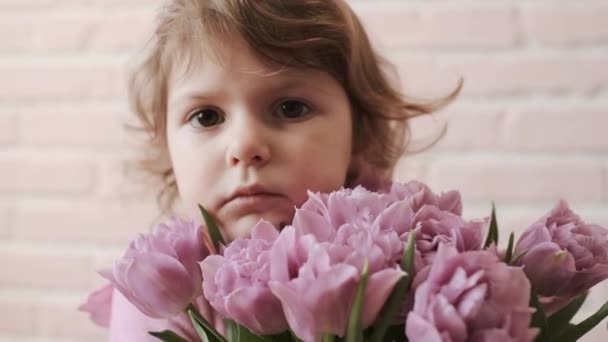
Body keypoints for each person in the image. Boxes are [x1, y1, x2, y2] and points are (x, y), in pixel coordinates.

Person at [80, 0, 460, 340]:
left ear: (359, 134)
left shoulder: (412, 261)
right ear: (167, 147)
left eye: (290, 108)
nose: (244, 146)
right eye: (207, 116)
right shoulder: (159, 298)